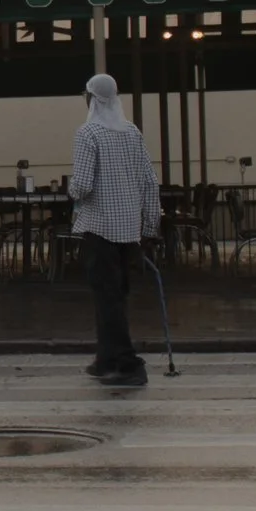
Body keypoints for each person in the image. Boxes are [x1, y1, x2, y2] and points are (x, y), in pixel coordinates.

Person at [70, 73, 162, 387]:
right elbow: (150, 181)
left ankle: (127, 363)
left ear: (91, 98)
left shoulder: (88, 133)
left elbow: (81, 185)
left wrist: (71, 191)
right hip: (129, 231)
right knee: (117, 296)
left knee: (106, 299)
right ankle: (105, 359)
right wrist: (149, 226)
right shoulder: (132, 132)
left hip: (99, 230)